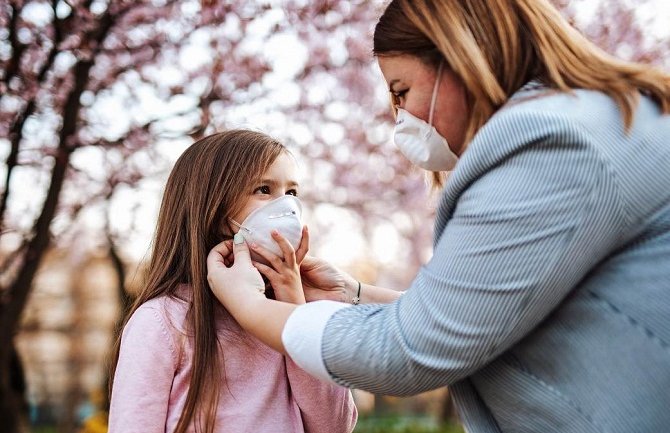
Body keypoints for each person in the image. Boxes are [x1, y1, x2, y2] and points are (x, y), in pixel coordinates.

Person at [207, 1, 670, 432]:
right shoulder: (592, 118)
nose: (403, 118)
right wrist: (354, 293)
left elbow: (407, 351)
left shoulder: (547, 140)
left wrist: (251, 307)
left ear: (458, 55)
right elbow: (478, 310)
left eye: (402, 92)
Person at [108, 130, 357, 433]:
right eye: (264, 189)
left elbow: (334, 426)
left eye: (291, 192)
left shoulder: (292, 312)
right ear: (213, 206)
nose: (287, 207)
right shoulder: (161, 321)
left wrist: (295, 310)